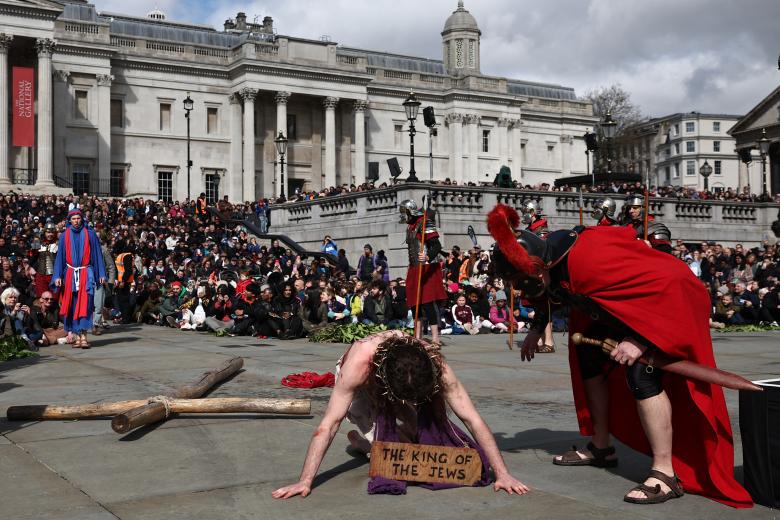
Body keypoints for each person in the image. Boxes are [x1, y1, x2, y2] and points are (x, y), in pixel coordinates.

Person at [487, 203, 751, 507]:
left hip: (670, 301)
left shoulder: (590, 262)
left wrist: (640, 340)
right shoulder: (554, 260)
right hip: (626, 312)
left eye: (521, 281)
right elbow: (554, 291)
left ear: (536, 266)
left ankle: (665, 474)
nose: (521, 289)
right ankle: (602, 446)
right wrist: (537, 328)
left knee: (642, 373)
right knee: (588, 356)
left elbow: (663, 288)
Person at [272, 330, 530, 499]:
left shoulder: (436, 364)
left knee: (412, 441)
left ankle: (366, 446)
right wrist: (305, 481)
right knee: (387, 444)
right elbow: (328, 425)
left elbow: (472, 418)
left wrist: (502, 473)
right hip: (365, 388)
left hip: (403, 377)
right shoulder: (358, 366)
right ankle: (367, 444)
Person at [52, 210, 106, 349]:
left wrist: (101, 273)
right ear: (69, 220)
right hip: (70, 274)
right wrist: (58, 275)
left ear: (82, 219)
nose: (76, 221)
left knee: (86, 305)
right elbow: (60, 257)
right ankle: (76, 336)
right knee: (72, 305)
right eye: (73, 219)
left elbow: (97, 254)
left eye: (78, 218)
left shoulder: (90, 234)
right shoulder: (64, 236)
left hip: (85, 273)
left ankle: (84, 337)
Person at [399, 199, 447, 345]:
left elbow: (436, 246)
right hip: (414, 268)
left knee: (427, 302)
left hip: (427, 268)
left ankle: (435, 338)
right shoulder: (410, 226)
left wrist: (427, 256)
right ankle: (417, 336)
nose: (403, 216)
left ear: (409, 212)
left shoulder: (425, 223)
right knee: (414, 303)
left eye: (404, 212)